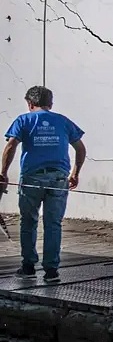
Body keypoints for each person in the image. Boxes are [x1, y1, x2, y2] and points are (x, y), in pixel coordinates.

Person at [1, 86, 85, 284]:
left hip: (32, 178)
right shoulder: (63, 121)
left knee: (28, 221)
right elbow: (80, 148)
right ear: (51, 103)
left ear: (30, 103)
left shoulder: (24, 120)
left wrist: (3, 173)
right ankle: (51, 271)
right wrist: (75, 173)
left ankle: (29, 266)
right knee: (53, 223)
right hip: (58, 178)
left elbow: (11, 146)